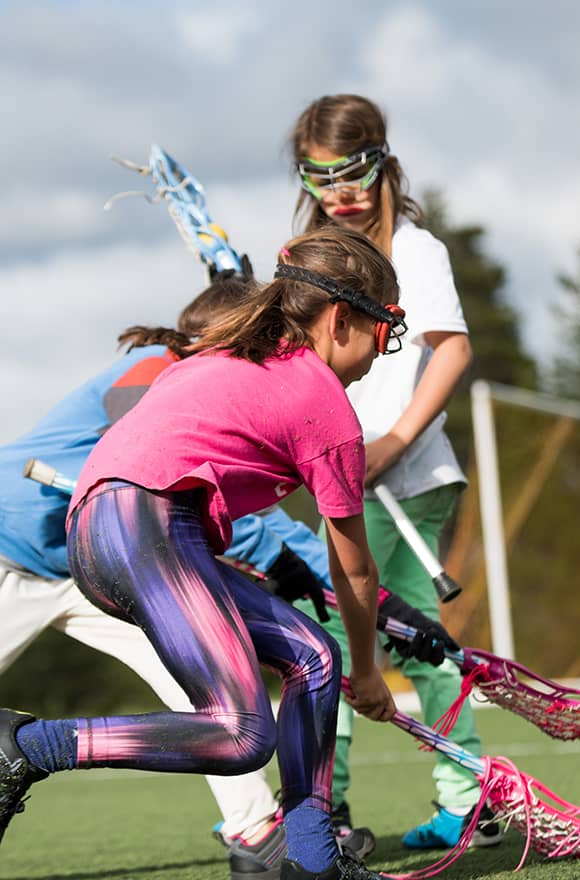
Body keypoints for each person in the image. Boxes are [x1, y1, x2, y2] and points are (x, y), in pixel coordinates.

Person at [0, 225, 405, 880]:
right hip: (145, 528)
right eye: (385, 334)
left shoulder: (225, 356)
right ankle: (26, 746)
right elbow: (353, 569)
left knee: (312, 658)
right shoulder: (324, 403)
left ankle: (313, 862)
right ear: (339, 320)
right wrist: (369, 670)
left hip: (101, 530)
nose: (381, 355)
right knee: (244, 732)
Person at [287, 94, 502, 851]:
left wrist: (396, 440)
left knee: (358, 635)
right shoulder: (312, 256)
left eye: (353, 172)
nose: (339, 192)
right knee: (360, 638)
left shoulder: (415, 250)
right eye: (319, 177)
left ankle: (341, 808)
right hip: (346, 474)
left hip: (405, 475)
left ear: (382, 162)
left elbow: (453, 348)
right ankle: (449, 802)